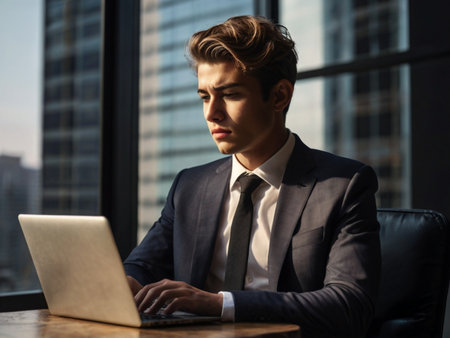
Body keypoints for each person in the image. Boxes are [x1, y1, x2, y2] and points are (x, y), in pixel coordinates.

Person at [124, 15, 380, 338]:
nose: (210, 113)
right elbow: (142, 266)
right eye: (204, 96)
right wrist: (123, 284)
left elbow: (349, 305)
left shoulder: (344, 186)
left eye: (229, 95)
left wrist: (220, 304)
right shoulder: (189, 187)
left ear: (279, 97)